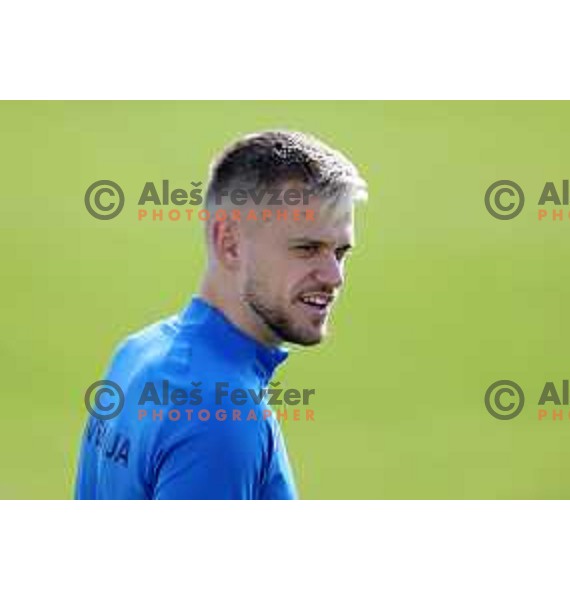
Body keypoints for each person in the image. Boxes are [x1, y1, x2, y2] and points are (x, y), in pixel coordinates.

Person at [75, 130, 368, 499]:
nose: (334, 276)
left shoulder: (137, 352)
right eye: (307, 248)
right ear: (229, 244)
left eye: (340, 252)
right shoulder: (223, 416)